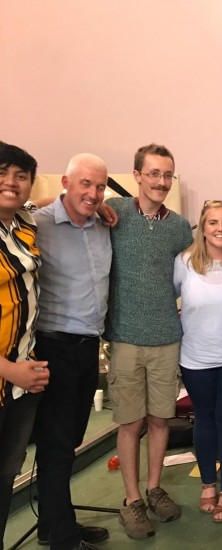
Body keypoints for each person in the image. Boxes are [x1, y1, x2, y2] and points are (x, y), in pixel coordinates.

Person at [105, 143, 193, 539]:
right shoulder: (116, 213)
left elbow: (195, 274)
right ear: (137, 175)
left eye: (167, 174)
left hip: (165, 338)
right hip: (124, 337)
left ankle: (155, 488)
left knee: (160, 419)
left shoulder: (179, 227)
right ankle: (132, 499)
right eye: (153, 173)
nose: (160, 181)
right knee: (130, 422)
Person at [32, 154, 111, 550]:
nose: (93, 193)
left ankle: (53, 524)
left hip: (87, 348)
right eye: (85, 184)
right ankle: (63, 538)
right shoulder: (38, 224)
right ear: (65, 181)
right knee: (57, 443)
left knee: (69, 439)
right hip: (54, 346)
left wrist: (104, 209)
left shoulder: (102, 224)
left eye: (100, 186)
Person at [174, 200, 222, 523]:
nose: (220, 229)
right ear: (202, 228)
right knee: (204, 419)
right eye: (213, 222)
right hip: (195, 359)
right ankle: (208, 483)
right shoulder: (185, 262)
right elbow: (168, 299)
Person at [0, 142, 49, 550]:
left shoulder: (23, 223)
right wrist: (9, 369)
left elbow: (52, 199)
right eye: (3, 173)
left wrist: (88, 200)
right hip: (7, 375)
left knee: (5, 475)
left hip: (21, 383)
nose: (11, 183)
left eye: (21, 176)